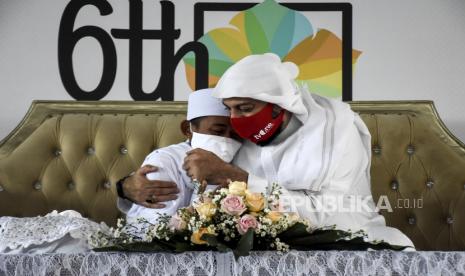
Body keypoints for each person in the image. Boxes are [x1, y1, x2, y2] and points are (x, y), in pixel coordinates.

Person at [181, 53, 414, 248]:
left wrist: (236, 177)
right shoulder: (245, 135)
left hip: (348, 236)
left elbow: (323, 215)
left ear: (277, 105)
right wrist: (151, 173)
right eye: (229, 109)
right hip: (269, 245)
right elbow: (199, 156)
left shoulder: (336, 130)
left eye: (245, 108)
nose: (235, 120)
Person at [117, 88, 242, 224]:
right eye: (218, 131)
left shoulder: (243, 157)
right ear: (188, 130)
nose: (226, 141)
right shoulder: (164, 162)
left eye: (235, 135)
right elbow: (158, 232)